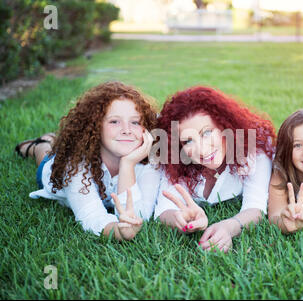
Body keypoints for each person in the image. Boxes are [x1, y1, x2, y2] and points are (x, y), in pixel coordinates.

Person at [15, 81, 161, 241]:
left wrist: (128, 164)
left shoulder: (149, 161)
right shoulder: (75, 165)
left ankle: (49, 139)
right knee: (46, 154)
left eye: (135, 122)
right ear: (95, 126)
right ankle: (39, 145)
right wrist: (118, 232)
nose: (126, 130)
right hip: (55, 172)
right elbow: (91, 216)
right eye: (114, 121)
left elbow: (139, 214)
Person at [154, 86, 276, 252]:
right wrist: (179, 219)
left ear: (225, 125)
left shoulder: (254, 151)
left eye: (207, 133)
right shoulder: (177, 160)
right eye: (188, 141)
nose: (202, 150)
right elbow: (164, 208)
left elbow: (255, 207)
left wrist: (228, 227)